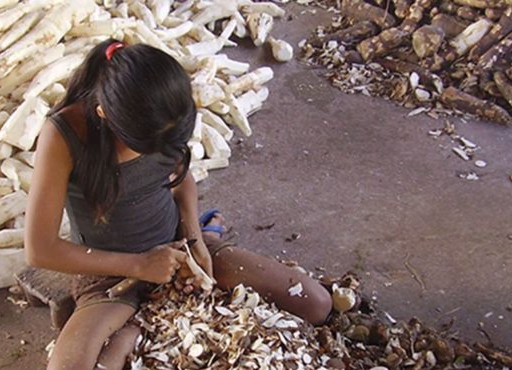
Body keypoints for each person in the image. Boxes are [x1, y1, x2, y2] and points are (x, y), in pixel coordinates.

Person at [24, 39, 332, 370]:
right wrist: (140, 266)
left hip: (181, 251)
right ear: (105, 116)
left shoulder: (165, 110)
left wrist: (195, 238)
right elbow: (40, 250)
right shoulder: (62, 134)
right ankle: (142, 324)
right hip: (111, 274)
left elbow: (180, 179)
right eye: (144, 148)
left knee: (316, 304)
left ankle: (153, 313)